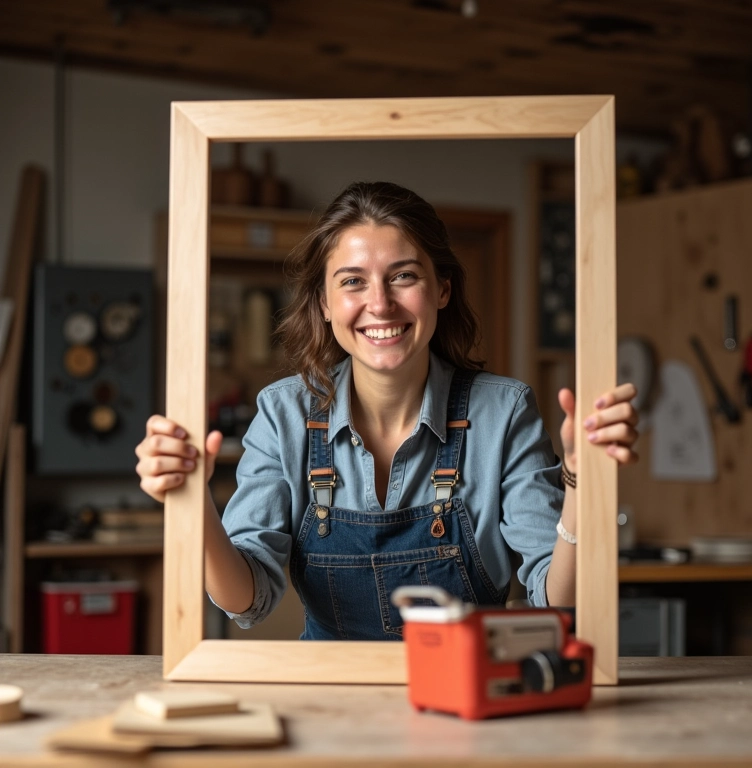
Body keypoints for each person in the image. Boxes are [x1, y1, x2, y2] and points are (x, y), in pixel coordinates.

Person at [135, 181, 638, 641]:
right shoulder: (283, 412)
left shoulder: (504, 413)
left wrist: (579, 480)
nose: (380, 304)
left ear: (441, 289)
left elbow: (559, 598)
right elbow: (246, 598)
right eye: (353, 281)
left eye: (403, 276)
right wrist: (192, 501)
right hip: (330, 701)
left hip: (470, 702)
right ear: (325, 302)